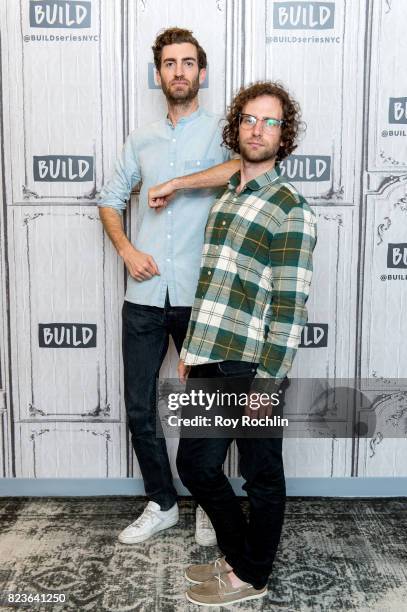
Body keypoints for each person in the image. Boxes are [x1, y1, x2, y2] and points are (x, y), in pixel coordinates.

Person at [151, 81, 317, 605]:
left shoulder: (292, 208)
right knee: (196, 468)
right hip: (211, 358)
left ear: (283, 134)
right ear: (236, 127)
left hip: (253, 364)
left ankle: (253, 575)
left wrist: (269, 383)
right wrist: (193, 350)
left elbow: (290, 307)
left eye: (271, 122)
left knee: (261, 474)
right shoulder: (227, 197)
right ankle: (240, 558)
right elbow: (213, 282)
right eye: (250, 119)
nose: (258, 129)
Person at [98, 27, 240, 546]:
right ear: (158, 75)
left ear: (201, 72)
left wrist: (179, 182)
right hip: (144, 299)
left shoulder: (226, 133)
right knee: (140, 407)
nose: (178, 72)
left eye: (187, 63)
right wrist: (128, 251)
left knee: (206, 406)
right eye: (169, 64)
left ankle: (207, 500)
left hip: (201, 297)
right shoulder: (141, 139)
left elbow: (239, 170)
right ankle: (162, 502)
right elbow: (110, 200)